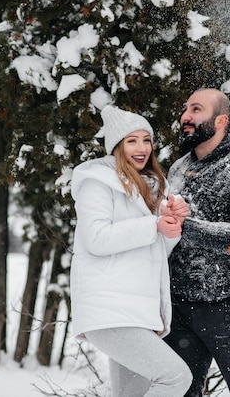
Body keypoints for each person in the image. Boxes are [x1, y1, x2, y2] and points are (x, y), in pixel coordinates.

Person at [70, 105, 192, 397]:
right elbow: (97, 239)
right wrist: (154, 225)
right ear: (116, 146)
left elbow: (154, 252)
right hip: (110, 311)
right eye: (131, 141)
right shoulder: (98, 184)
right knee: (175, 377)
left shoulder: (149, 188)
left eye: (146, 140)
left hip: (134, 311)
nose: (141, 148)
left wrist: (172, 225)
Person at [164, 88, 230, 397]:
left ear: (220, 119)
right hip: (180, 307)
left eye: (196, 110)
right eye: (185, 109)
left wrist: (187, 226)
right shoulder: (178, 169)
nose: (185, 116)